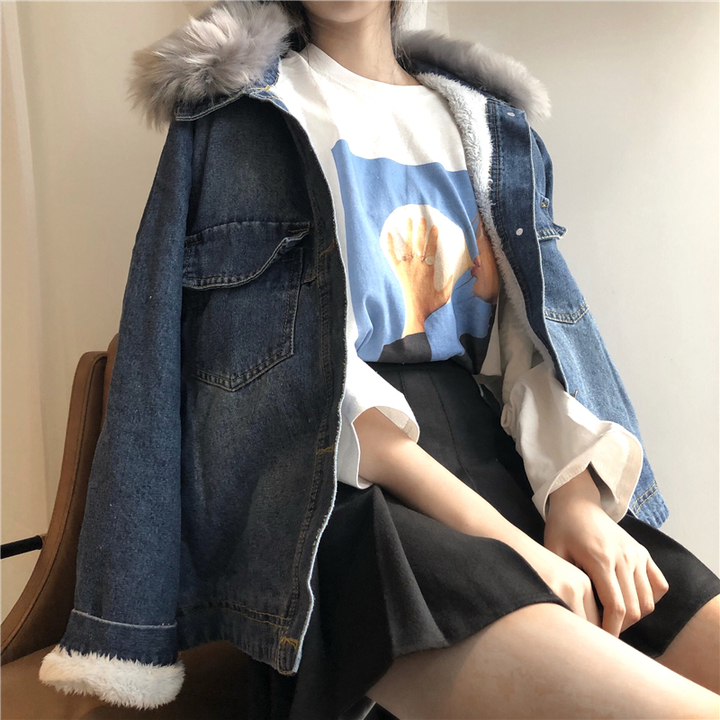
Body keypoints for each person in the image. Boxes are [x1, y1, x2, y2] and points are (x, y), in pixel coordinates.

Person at [38, 2, 720, 719]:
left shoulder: (486, 123)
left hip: (501, 461)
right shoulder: (241, 120)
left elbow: (535, 337)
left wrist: (576, 504)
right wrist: (513, 547)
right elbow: (285, 384)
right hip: (336, 497)